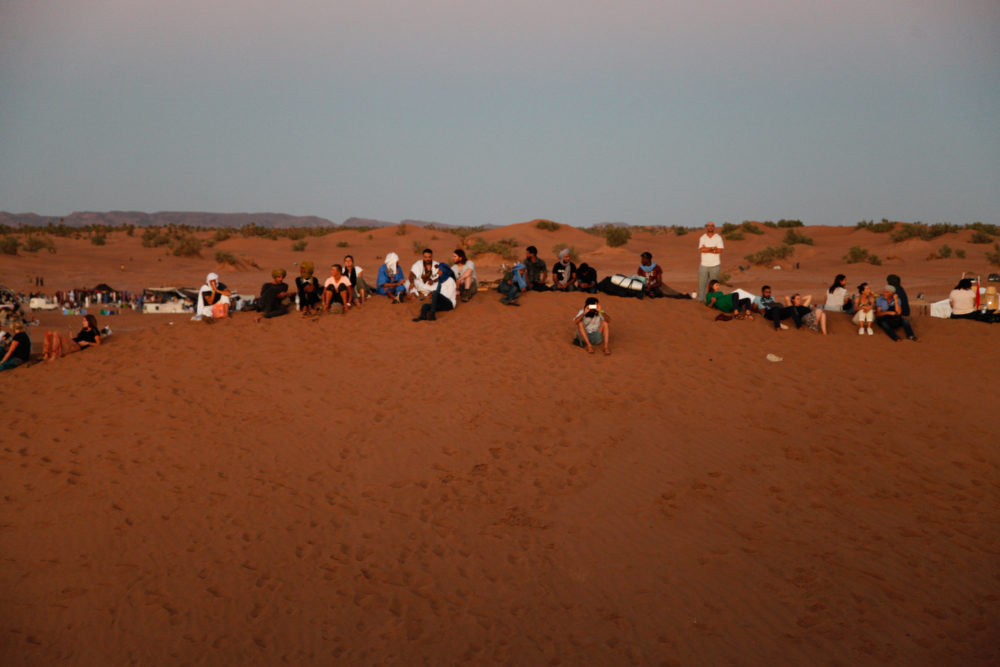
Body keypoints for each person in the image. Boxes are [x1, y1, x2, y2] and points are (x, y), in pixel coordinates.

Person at [697, 222, 724, 300]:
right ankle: (701, 301)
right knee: (702, 285)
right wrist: (713, 248)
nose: (710, 227)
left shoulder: (718, 238)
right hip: (704, 265)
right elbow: (702, 250)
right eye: (708, 226)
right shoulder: (703, 237)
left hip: (715, 265)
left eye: (712, 226)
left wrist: (707, 249)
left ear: (714, 227)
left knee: (714, 286)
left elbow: (719, 250)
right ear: (706, 227)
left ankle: (714, 301)